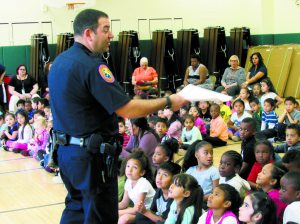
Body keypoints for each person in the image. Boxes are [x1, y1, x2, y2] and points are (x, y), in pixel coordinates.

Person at [48, 9, 187, 224]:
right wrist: (169, 101)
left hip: (67, 153)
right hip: (91, 159)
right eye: (105, 29)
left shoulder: (59, 63)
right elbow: (126, 109)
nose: (111, 34)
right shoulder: (92, 66)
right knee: (99, 214)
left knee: (76, 208)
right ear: (88, 33)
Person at [118, 150, 155, 224]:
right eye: (128, 166)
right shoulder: (128, 181)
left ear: (142, 172)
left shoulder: (143, 184)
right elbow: (124, 203)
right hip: (139, 212)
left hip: (148, 213)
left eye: (134, 167)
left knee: (124, 219)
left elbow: (137, 209)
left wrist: (118, 212)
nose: (129, 170)